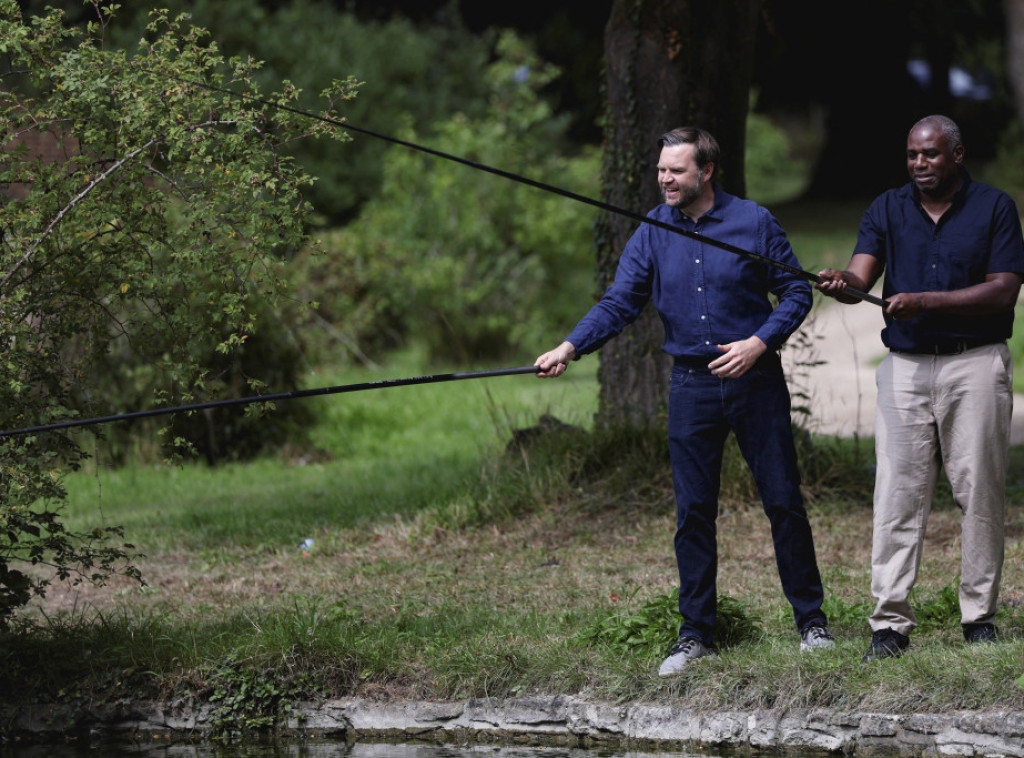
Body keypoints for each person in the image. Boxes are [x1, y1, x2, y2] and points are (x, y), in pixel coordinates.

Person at [535, 126, 833, 678]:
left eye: (676, 171)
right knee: (693, 512)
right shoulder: (652, 230)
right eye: (661, 171)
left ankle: (811, 624)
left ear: (706, 171)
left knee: (783, 501)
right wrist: (570, 346)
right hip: (692, 387)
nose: (666, 180)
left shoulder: (753, 222)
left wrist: (758, 342)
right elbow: (620, 301)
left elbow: (795, 290)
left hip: (755, 379)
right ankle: (695, 634)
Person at [816, 114, 1024, 661]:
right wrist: (845, 284)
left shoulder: (995, 207)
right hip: (904, 369)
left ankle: (979, 618)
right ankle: (889, 624)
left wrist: (924, 299)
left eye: (930, 155)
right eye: (912, 155)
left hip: (974, 364)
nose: (919, 164)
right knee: (896, 496)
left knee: (979, 493)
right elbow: (862, 275)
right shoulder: (887, 207)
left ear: (957, 154)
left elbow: (1004, 290)